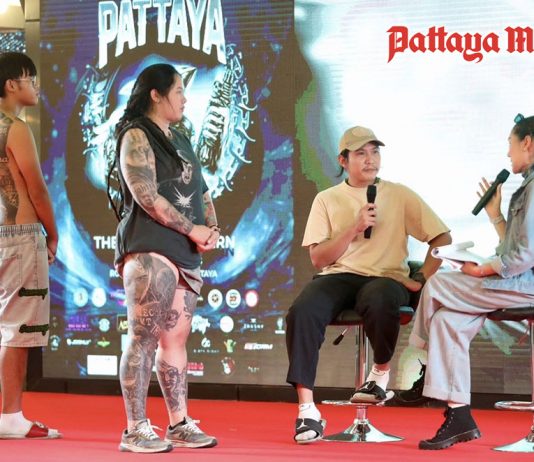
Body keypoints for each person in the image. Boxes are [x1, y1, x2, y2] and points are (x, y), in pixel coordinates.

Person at [286, 125, 451, 443]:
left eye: (375, 151)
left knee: (379, 297)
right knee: (302, 311)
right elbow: (318, 259)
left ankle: (379, 374)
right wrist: (353, 228)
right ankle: (307, 410)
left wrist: (421, 277)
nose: (370, 159)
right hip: (339, 275)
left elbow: (442, 238)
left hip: (385, 276)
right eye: (360, 153)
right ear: (343, 160)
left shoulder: (399, 194)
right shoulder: (327, 199)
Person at [110, 63, 219, 453]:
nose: (185, 98)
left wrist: (211, 227)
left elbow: (201, 190)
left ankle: (179, 423)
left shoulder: (182, 137)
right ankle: (135, 429)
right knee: (143, 337)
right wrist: (192, 229)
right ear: (156, 95)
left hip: (185, 252)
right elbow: (145, 194)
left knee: (175, 339)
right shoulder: (137, 134)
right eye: (178, 91)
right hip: (150, 245)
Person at [410, 113, 534, 450]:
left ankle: (421, 364)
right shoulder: (527, 186)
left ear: (527, 142)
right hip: (518, 280)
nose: (508, 154)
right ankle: (459, 414)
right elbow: (514, 246)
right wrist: (495, 216)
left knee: (437, 284)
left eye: (510, 145)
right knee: (447, 321)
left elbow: (524, 256)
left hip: (525, 284)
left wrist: (481, 270)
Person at [0, 52, 59, 439]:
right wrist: (53, 233)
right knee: (18, 330)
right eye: (29, 79)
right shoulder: (16, 128)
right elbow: (36, 189)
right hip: (20, 235)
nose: (36, 87)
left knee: (6, 327)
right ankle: (10, 416)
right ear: (10, 84)